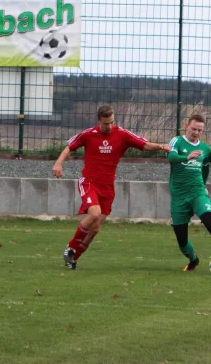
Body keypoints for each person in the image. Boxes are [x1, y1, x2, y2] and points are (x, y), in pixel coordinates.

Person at [53, 105, 172, 270]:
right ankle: (71, 247)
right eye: (105, 123)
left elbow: (144, 145)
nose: (109, 126)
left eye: (111, 122)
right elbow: (69, 147)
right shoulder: (88, 134)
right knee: (94, 214)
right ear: (98, 121)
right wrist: (58, 163)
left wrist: (161, 146)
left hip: (107, 187)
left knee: (95, 229)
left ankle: (73, 259)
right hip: (89, 182)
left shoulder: (122, 134)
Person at [166, 114, 211, 271]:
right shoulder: (176, 141)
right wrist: (187, 156)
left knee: (209, 221)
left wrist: (204, 184)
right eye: (194, 129)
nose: (196, 132)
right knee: (182, 240)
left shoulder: (205, 149)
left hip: (197, 191)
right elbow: (171, 157)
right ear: (186, 126)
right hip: (179, 195)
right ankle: (193, 260)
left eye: (200, 130)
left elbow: (205, 168)